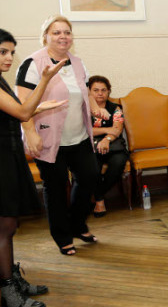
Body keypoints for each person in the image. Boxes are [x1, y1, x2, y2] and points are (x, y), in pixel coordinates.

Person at [0, 28, 67, 307]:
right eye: (3, 52)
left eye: (12, 51)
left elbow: (14, 113)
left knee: (9, 226)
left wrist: (38, 105)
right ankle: (9, 291)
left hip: (5, 155)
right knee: (3, 226)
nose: (9, 57)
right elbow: (21, 113)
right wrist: (44, 82)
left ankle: (13, 279)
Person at [16, 15, 106, 256]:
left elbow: (84, 93)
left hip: (79, 137)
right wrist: (30, 133)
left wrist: (96, 108)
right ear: (45, 35)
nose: (63, 36)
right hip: (48, 139)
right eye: (56, 32)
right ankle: (62, 235)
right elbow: (22, 104)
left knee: (88, 178)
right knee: (56, 188)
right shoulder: (32, 63)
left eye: (67, 32)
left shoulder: (78, 62)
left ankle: (77, 224)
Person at [86, 75, 128, 218]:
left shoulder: (115, 108)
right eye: (96, 90)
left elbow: (117, 129)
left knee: (118, 163)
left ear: (108, 92)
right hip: (90, 147)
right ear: (89, 92)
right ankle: (100, 202)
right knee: (93, 168)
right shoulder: (83, 109)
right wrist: (106, 130)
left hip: (113, 145)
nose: (100, 93)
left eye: (103, 90)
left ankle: (97, 195)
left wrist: (107, 139)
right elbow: (86, 131)